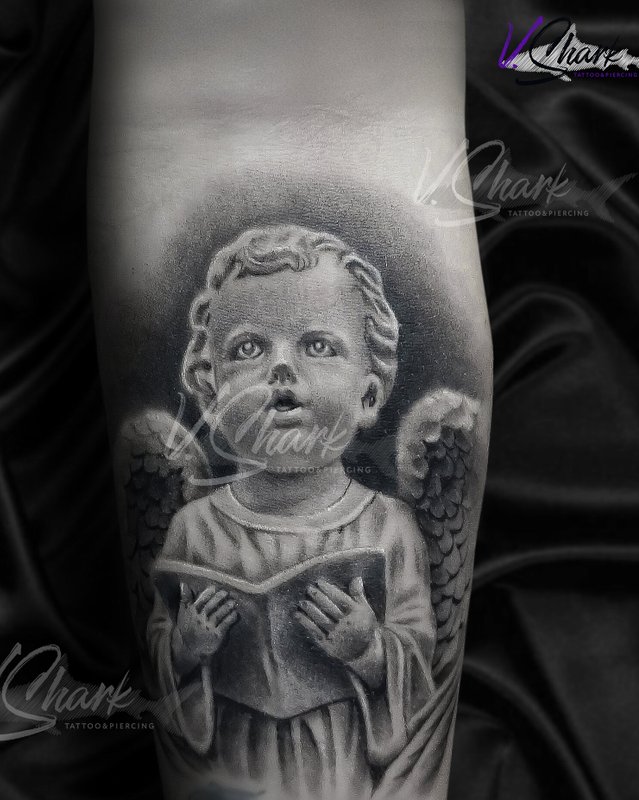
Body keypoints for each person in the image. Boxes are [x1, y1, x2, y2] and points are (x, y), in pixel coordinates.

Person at [146, 225, 437, 800]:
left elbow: (424, 667)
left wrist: (369, 650)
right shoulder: (195, 530)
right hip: (232, 756)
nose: (281, 369)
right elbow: (157, 642)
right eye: (248, 349)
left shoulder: (389, 528)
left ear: (368, 395)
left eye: (318, 346)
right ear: (211, 393)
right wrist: (185, 647)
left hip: (339, 758)